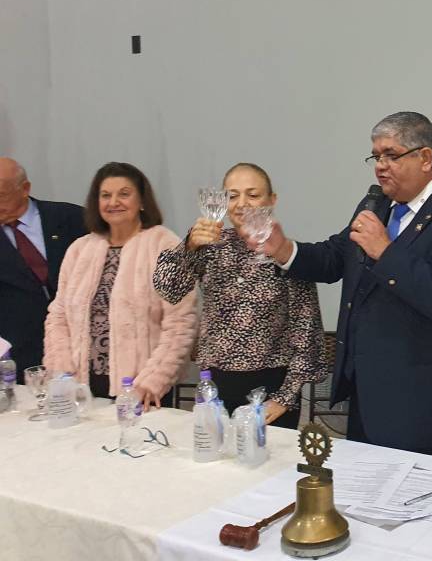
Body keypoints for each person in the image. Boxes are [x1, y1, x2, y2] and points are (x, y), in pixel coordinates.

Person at [249, 112, 432, 458]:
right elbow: (336, 257)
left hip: (423, 401)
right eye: (375, 156)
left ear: (425, 158)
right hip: (366, 390)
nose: (380, 166)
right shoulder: (377, 205)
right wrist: (284, 249)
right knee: (363, 485)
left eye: (391, 155)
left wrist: (386, 252)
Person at [153, 162, 327, 429]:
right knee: (215, 452)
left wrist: (285, 398)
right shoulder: (210, 247)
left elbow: (307, 331)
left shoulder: (285, 252)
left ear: (272, 200)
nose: (242, 203)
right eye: (232, 196)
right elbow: (168, 289)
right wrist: (188, 246)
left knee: (268, 455)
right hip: (215, 384)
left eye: (253, 195)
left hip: (272, 386)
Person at [43, 162, 197, 406]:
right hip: (81, 390)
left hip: (142, 391)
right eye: (105, 195)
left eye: (124, 194)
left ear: (142, 201)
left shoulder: (164, 245)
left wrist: (154, 381)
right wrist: (60, 368)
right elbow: (58, 315)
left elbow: (181, 323)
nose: (113, 202)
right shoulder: (80, 249)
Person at [0, 158, 86, 381]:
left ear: (25, 188)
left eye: (1, 195)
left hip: (82, 348)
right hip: (21, 359)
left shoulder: (71, 218)